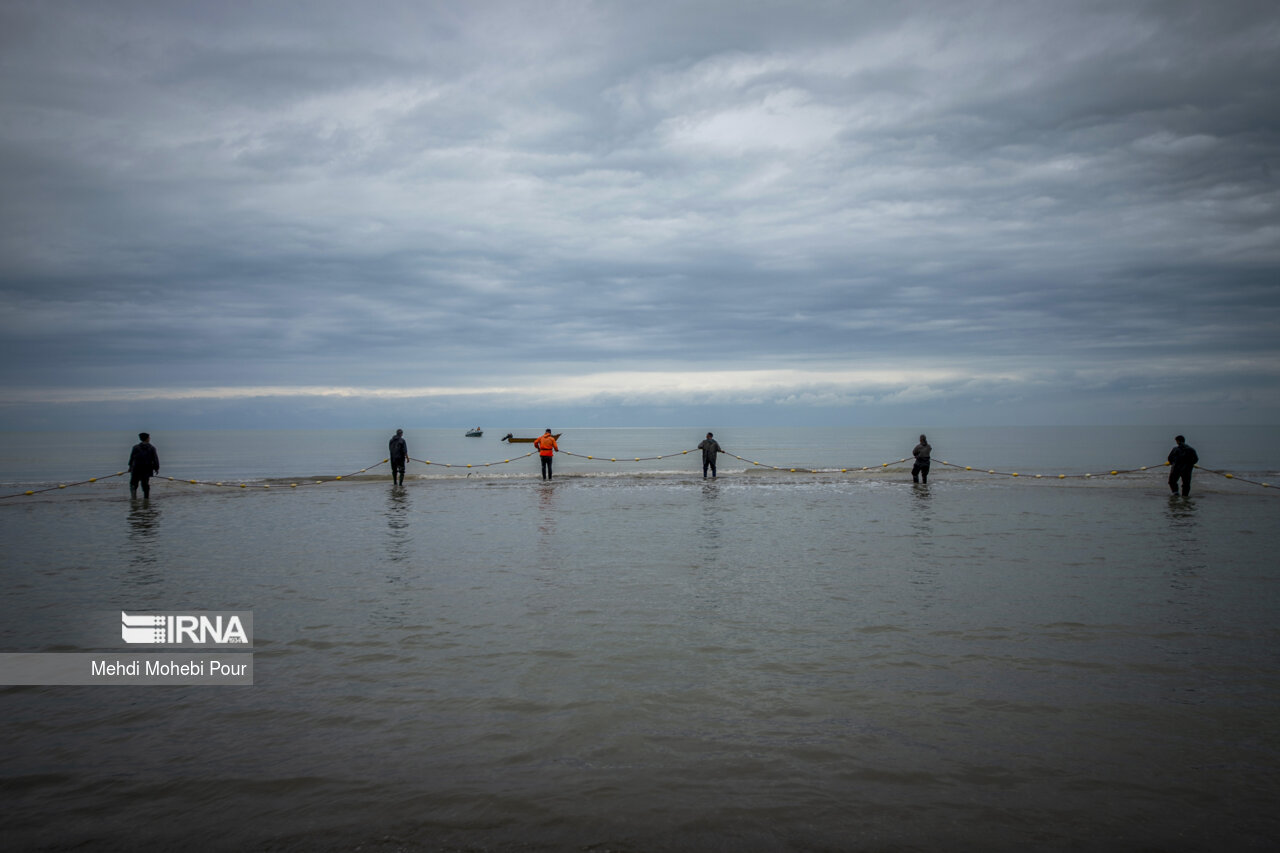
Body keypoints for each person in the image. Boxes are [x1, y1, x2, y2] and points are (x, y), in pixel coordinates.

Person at [127, 432, 160, 499]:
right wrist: (156, 468)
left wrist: (130, 467)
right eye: (149, 437)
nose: (150, 438)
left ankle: (133, 498)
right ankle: (146, 498)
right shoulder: (152, 448)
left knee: (133, 484)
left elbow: (132, 458)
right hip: (146, 470)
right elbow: (155, 459)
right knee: (145, 484)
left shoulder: (135, 447)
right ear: (147, 439)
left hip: (136, 469)